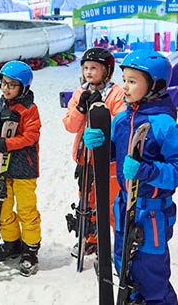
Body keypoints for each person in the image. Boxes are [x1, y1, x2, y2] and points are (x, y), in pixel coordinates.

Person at [83, 49, 178, 304]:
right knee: (124, 270)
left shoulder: (165, 125)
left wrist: (148, 172)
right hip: (124, 207)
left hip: (152, 214)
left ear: (155, 86)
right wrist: (100, 146)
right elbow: (114, 152)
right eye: (124, 80)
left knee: (151, 275)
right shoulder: (122, 119)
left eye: (133, 81)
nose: (125, 87)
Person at [62, 47, 126, 258]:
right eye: (86, 68)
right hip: (85, 158)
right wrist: (81, 108)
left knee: (110, 201)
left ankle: (118, 242)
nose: (89, 72)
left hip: (109, 161)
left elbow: (121, 122)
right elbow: (70, 126)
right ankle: (92, 239)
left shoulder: (116, 93)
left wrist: (102, 111)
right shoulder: (80, 93)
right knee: (87, 201)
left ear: (106, 71)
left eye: (94, 68)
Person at [0, 60, 42, 276]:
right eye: (4, 83)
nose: (6, 88)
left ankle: (30, 248)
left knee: (26, 210)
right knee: (3, 209)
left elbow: (31, 136)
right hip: (1, 167)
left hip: (24, 168)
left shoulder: (30, 109)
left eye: (12, 84)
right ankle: (11, 242)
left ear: (23, 87)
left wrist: (6, 143)